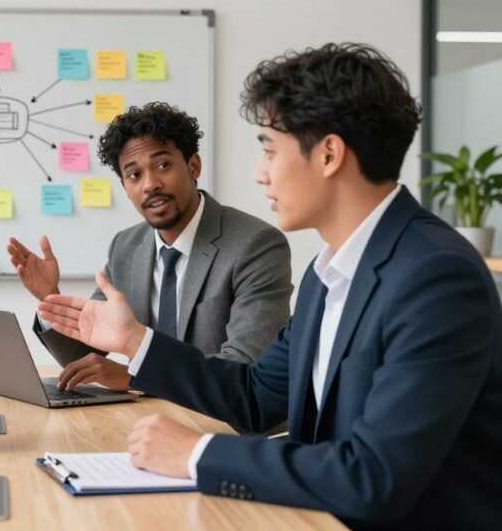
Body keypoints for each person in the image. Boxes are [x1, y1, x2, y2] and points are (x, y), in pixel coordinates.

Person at [38, 43, 502, 530]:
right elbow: (256, 397)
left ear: (328, 154)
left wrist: (199, 453)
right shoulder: (332, 271)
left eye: (269, 149)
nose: (260, 173)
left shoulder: (435, 277)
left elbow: (373, 477)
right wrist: (133, 341)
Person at [7, 102, 292, 392]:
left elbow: (245, 367)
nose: (150, 184)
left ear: (194, 167)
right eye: (134, 175)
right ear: (125, 188)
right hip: (149, 421)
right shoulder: (126, 247)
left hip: (225, 427)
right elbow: (82, 357)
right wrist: (51, 299)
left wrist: (138, 378)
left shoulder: (255, 245)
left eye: (163, 165)